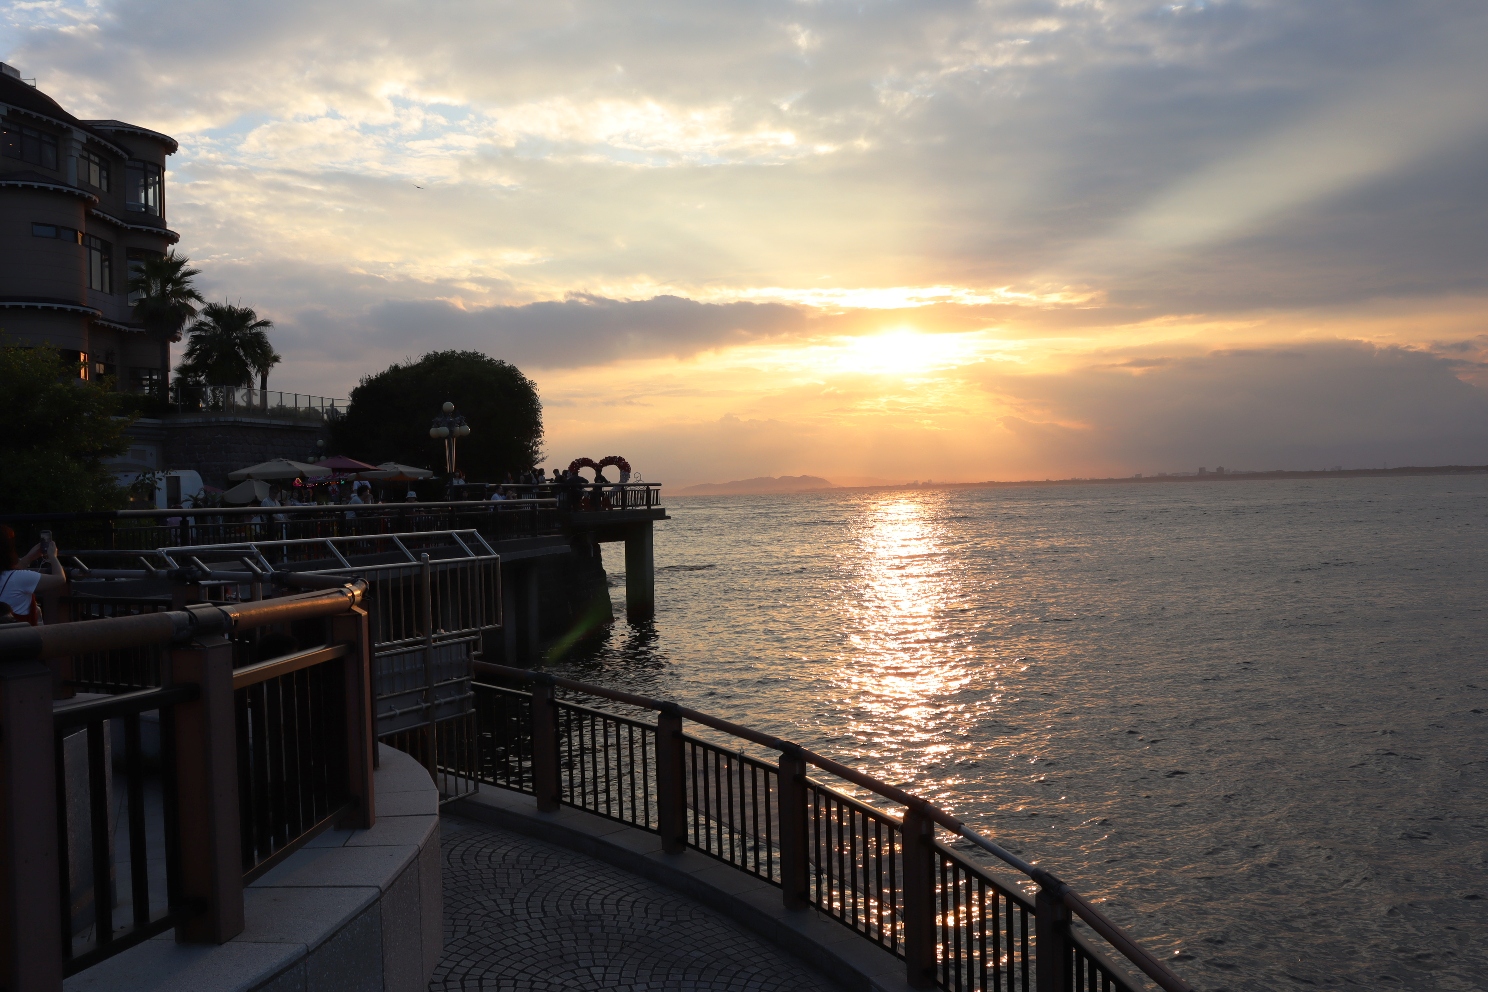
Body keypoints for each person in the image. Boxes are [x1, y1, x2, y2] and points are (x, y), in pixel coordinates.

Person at [0, 526, 66, 626]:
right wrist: (53, 556)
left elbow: (11, 575)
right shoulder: (20, 578)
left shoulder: (15, 577)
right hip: (22, 639)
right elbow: (60, 578)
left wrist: (29, 558)